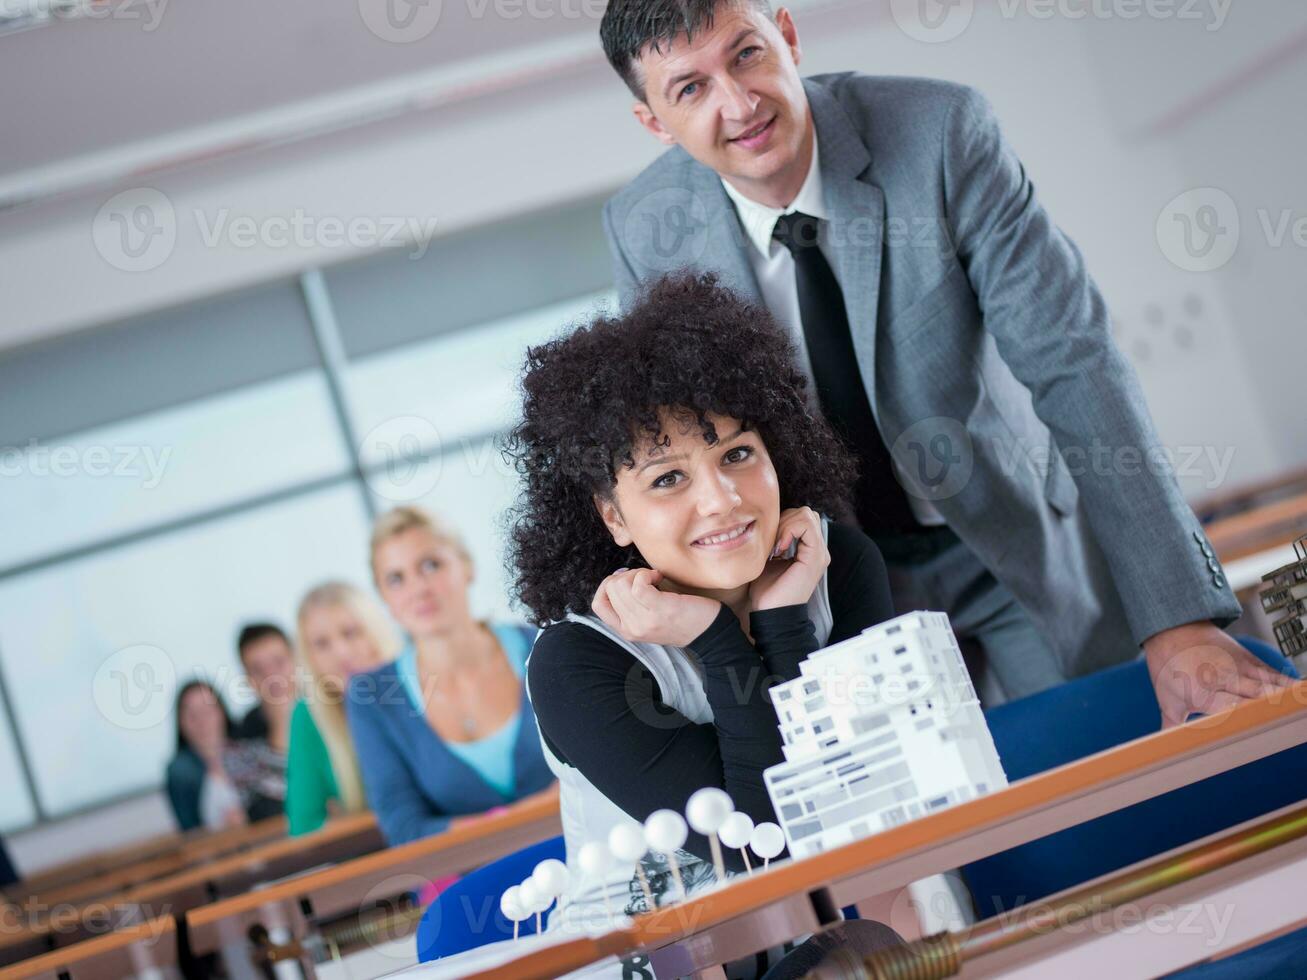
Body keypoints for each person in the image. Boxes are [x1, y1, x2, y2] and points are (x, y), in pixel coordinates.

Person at [596, 0, 1291, 720]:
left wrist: (1177, 623)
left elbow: (1073, 363)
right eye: (690, 88)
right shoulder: (645, 229)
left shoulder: (937, 132)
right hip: (830, 573)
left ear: (789, 36)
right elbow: (674, 450)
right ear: (653, 120)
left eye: (746, 54)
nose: (739, 104)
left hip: (1008, 531)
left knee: (1109, 753)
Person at [509, 271, 902, 971]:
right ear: (612, 516)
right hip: (656, 960)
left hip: (833, 934)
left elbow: (877, 790)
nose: (722, 501)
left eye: (737, 454)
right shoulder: (577, 662)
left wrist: (781, 615)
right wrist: (720, 639)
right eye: (667, 478)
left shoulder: (835, 565)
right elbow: (758, 840)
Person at [346, 506, 557, 846]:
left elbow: (602, 767)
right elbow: (405, 828)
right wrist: (519, 820)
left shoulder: (547, 645)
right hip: (468, 881)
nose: (418, 589)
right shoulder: (371, 696)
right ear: (383, 597)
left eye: (431, 565)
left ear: (467, 567)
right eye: (396, 579)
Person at [286, 582, 401, 836]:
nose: (341, 653)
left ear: (375, 632)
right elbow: (304, 828)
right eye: (321, 644)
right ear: (309, 657)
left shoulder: (417, 681)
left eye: (350, 633)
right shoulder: (308, 716)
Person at [164, 679, 282, 830]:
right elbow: (191, 834)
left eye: (207, 710)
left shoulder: (250, 750)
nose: (201, 721)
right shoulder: (181, 773)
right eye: (191, 714)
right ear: (181, 723)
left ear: (222, 712)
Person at [233, 623, 296, 744]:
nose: (272, 678)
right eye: (258, 670)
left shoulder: (331, 713)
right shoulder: (245, 736)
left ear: (297, 660)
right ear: (247, 679)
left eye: (279, 662)